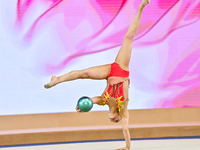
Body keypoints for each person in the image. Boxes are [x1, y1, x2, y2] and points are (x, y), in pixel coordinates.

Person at [44, 0, 150, 149]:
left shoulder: (103, 101)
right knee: (129, 37)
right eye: (117, 120)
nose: (116, 121)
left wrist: (81, 106)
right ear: (119, 115)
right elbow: (126, 128)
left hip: (110, 73)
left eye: (114, 122)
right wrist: (128, 147)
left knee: (85, 73)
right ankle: (56, 80)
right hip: (121, 68)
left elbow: (89, 101)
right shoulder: (123, 108)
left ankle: (57, 80)